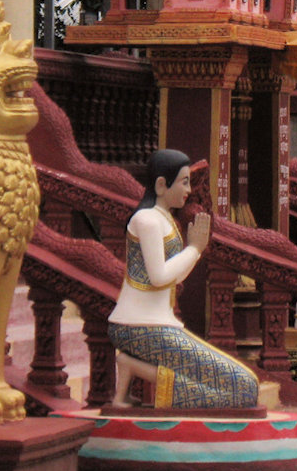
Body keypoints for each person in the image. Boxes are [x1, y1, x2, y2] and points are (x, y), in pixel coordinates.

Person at [108, 149, 260, 409]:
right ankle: (135, 367)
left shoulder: (165, 220)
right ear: (160, 184)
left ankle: (134, 368)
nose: (188, 189)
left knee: (246, 387)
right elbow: (158, 277)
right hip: (138, 328)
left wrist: (194, 250)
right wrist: (194, 249)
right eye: (184, 181)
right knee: (244, 388)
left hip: (156, 325)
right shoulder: (147, 220)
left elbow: (175, 278)